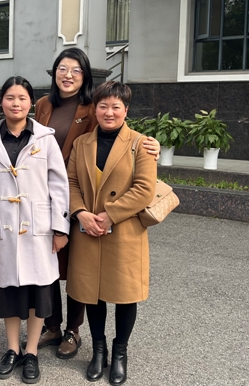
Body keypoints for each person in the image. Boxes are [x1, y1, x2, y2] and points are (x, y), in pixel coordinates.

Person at [33, 47, 159, 359]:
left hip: (86, 198)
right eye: (62, 68)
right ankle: (52, 324)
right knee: (48, 262)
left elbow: (117, 140)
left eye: (76, 70)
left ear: (85, 76)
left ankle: (73, 330)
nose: (68, 75)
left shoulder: (94, 106)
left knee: (79, 268)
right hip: (45, 195)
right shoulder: (43, 105)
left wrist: (152, 145)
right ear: (54, 72)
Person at [0, 76, 70, 384]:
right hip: (2, 225)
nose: (16, 103)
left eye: (22, 98)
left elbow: (59, 185)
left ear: (31, 103)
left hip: (38, 227)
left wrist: (60, 227)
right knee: (9, 290)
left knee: (39, 291)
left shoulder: (45, 138)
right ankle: (12, 348)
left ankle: (32, 351)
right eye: (10, 97)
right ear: (1, 101)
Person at [66, 81, 157, 385]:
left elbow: (145, 189)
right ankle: (98, 350)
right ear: (95, 109)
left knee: (124, 295)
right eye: (103, 106)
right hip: (88, 229)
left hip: (124, 231)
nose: (109, 112)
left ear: (125, 110)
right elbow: (71, 183)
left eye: (116, 106)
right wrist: (81, 212)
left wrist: (109, 215)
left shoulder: (140, 144)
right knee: (92, 294)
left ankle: (120, 352)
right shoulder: (82, 144)